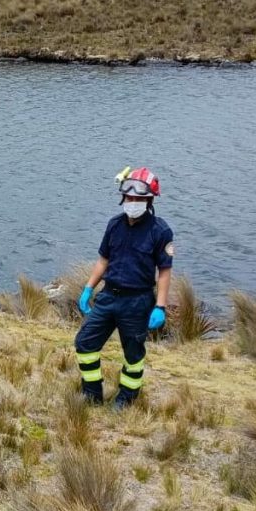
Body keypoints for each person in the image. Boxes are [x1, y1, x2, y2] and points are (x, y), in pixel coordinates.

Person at [74, 166, 173, 409]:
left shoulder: (160, 231)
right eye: (129, 197)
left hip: (137, 302)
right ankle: (92, 394)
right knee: (85, 343)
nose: (132, 202)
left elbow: (164, 271)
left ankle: (126, 398)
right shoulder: (114, 225)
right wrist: (88, 289)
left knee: (133, 355)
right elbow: (103, 260)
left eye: (138, 199)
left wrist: (160, 306)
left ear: (149, 201)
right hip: (108, 296)